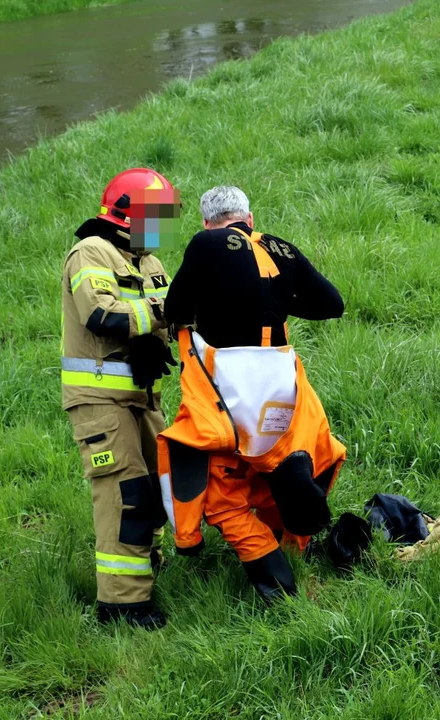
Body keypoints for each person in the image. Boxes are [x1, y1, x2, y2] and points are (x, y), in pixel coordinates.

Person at [158, 186, 346, 600]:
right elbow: (333, 303)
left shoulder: (206, 243)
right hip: (281, 388)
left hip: (228, 392)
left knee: (224, 496)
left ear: (207, 223)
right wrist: (277, 300)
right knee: (279, 463)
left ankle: (277, 586)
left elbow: (175, 309)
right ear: (250, 219)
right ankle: (296, 540)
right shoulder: (280, 249)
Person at [61, 167, 180, 629]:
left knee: (160, 485)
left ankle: (144, 564)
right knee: (125, 493)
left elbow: (172, 317)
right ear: (128, 213)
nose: (165, 227)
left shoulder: (148, 262)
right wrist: (159, 316)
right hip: (99, 399)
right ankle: (121, 605)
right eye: (160, 216)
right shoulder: (90, 251)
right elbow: (100, 314)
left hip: (142, 396)